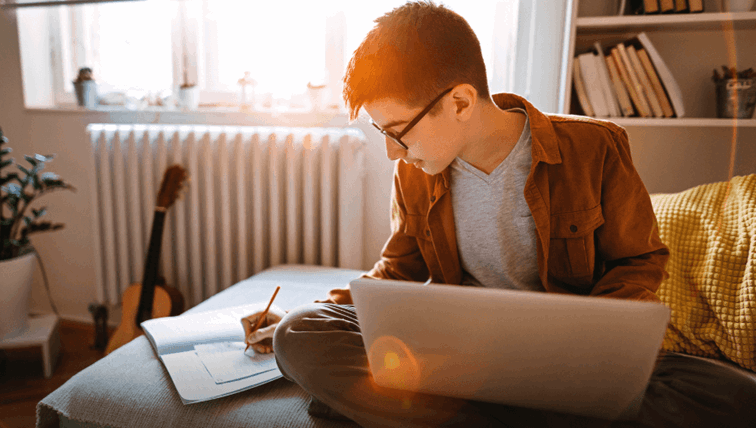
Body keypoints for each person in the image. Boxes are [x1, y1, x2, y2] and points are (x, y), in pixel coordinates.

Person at [242, 2, 756, 427]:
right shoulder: (415, 172)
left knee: (732, 395)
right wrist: (321, 307)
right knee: (301, 333)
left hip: (566, 358)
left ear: (461, 101)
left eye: (398, 131)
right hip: (456, 357)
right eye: (383, 135)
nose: (393, 153)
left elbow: (639, 259)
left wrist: (594, 343)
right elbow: (397, 272)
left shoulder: (594, 147)